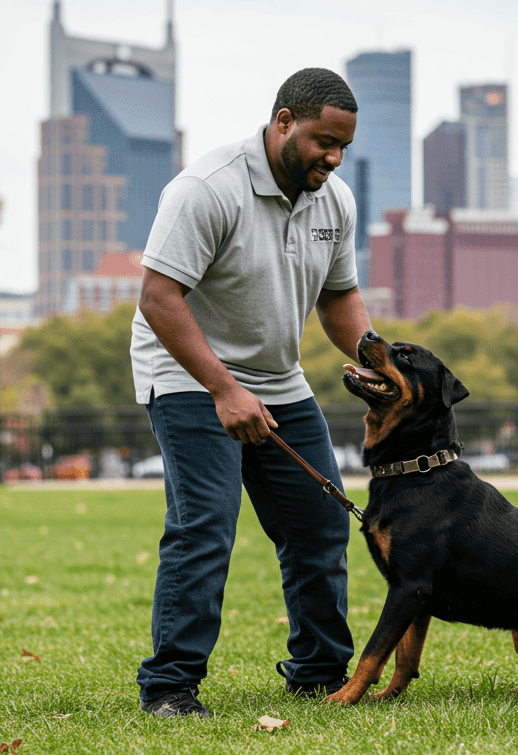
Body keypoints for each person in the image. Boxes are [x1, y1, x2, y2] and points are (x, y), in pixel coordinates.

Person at [129, 68, 371, 719]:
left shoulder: (335, 201)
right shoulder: (208, 189)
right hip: (187, 373)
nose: (334, 158)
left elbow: (339, 297)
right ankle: (169, 687)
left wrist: (382, 360)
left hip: (278, 378)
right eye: (324, 141)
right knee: (206, 524)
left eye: (344, 147)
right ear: (284, 122)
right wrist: (223, 389)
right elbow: (158, 297)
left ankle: (319, 674)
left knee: (320, 523)